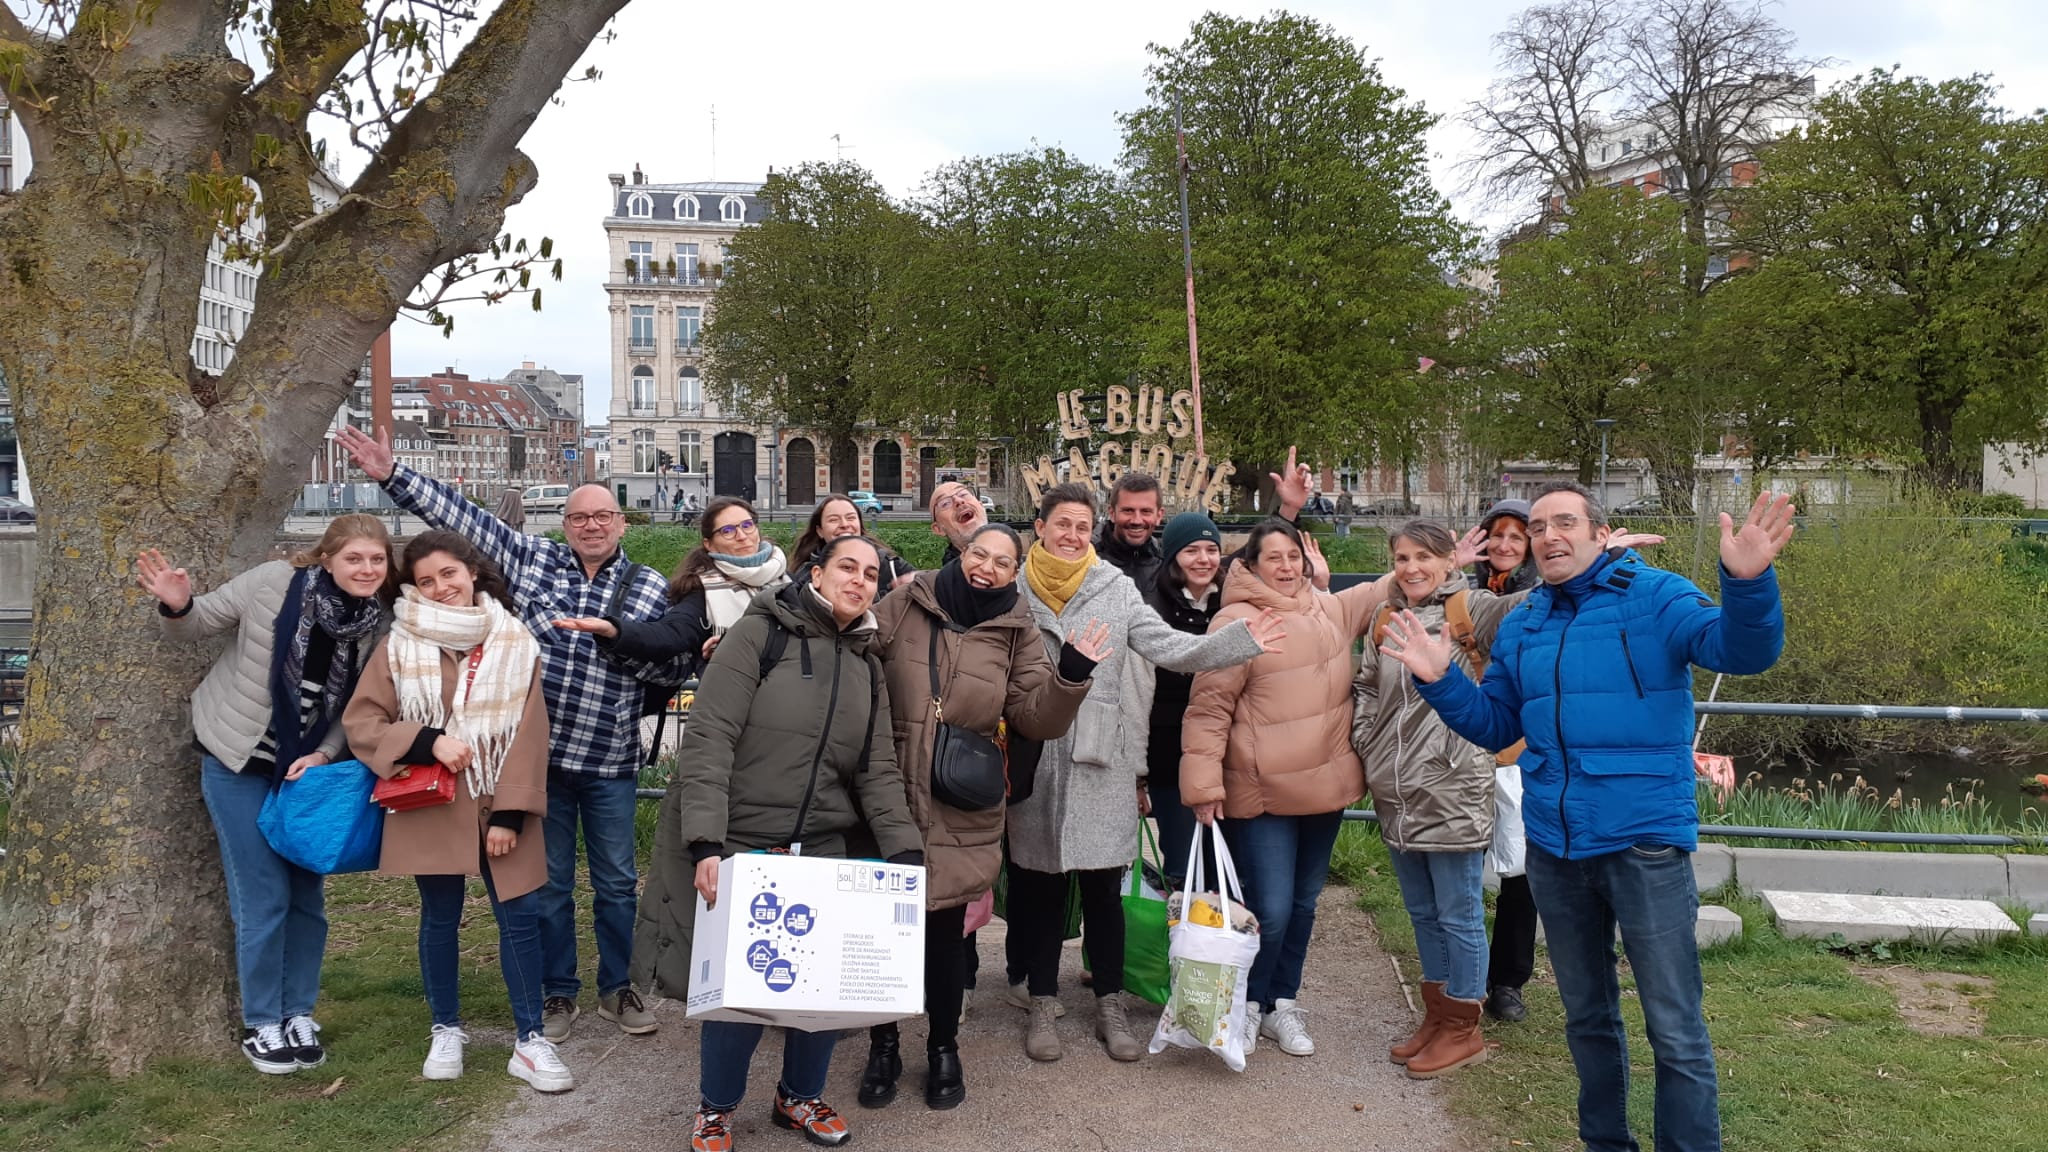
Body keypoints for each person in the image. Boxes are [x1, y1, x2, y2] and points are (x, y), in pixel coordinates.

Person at [1382, 484, 1793, 1152]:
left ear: (1601, 534)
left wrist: (1748, 582)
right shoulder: (1525, 621)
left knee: (1674, 1027)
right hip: (1555, 845)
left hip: (1644, 845)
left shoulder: (1657, 596)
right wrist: (1442, 680)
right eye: (1539, 526)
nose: (1548, 537)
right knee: (1588, 1020)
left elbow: (1743, 653)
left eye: (1564, 523)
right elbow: (1496, 726)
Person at [336, 425, 673, 1042]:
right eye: (579, 516)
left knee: (619, 882)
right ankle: (557, 992)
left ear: (621, 522)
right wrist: (391, 475)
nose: (592, 525)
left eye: (603, 515)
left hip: (609, 756)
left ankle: (617, 987)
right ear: (565, 524)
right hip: (539, 761)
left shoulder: (650, 585)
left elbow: (669, 662)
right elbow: (465, 523)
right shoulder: (535, 561)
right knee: (549, 885)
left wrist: (618, 641)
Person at [636, 535, 922, 1152]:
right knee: (741, 994)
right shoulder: (759, 635)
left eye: (871, 574)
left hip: (822, 845)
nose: (859, 581)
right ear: (815, 573)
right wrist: (707, 840)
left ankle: (798, 1097)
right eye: (847, 567)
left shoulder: (866, 663)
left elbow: (876, 767)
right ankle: (716, 1108)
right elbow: (710, 737)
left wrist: (905, 853)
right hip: (746, 839)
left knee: (823, 989)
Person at [1007, 482, 1284, 1063]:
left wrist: (1238, 642)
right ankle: (1041, 1000)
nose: (1072, 535)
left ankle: (1109, 1001)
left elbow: (1170, 647)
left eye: (1082, 526)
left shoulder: (1114, 588)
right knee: (1038, 890)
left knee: (1106, 889)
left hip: (1100, 755)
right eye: (1062, 524)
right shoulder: (1014, 592)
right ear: (1040, 526)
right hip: (1035, 754)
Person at [858, 523, 1104, 1111]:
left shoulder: (1017, 630)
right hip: (885, 787)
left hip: (958, 797)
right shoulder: (907, 598)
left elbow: (1035, 717)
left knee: (943, 936)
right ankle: (883, 1044)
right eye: (979, 554)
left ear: (1013, 572)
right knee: (880, 933)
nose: (986, 568)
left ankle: (944, 1047)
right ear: (962, 554)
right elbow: (856, 658)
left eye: (1001, 562)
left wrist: (1070, 675)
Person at [136, 516, 394, 1074]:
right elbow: (196, 624)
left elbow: (357, 709)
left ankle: (299, 1010)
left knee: (307, 898)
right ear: (326, 558)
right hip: (237, 759)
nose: (367, 570)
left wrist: (325, 755)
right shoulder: (273, 582)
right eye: (355, 559)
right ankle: (263, 1023)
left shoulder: (379, 625)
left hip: (304, 773)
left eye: (376, 560)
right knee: (264, 896)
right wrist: (178, 604)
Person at [341, 531, 570, 1093]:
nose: (440, 588)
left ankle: (529, 1039)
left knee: (519, 919)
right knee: (439, 917)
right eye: (425, 581)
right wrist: (427, 741)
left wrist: (511, 814)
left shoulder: (515, 640)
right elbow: (363, 723)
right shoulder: (398, 645)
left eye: (448, 574)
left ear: (471, 572)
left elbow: (530, 731)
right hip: (433, 803)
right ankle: (446, 1027)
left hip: (499, 800)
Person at [1179, 518, 1411, 1059]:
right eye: (1273, 559)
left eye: (1293, 557)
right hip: (1263, 794)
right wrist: (1202, 785)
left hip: (1325, 788)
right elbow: (1209, 709)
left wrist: (1452, 557)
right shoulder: (1235, 623)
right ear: (1251, 566)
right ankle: (1250, 1003)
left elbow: (1389, 584)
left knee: (1305, 904)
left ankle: (1283, 1001)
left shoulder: (1326, 607)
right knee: (1272, 908)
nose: (1286, 568)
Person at [1347, 520, 1534, 1077]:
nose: (1412, 568)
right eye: (1402, 558)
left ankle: (1462, 1026)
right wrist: (1367, 740)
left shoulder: (1473, 610)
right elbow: (1364, 687)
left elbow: (1534, 598)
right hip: (1395, 787)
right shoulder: (1385, 617)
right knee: (1422, 911)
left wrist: (1590, 556)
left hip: (1453, 785)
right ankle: (1437, 1014)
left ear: (1450, 560)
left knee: (1459, 913)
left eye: (1424, 557)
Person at [557, 498, 790, 684]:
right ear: (709, 543)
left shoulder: (788, 577)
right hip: (744, 708)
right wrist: (615, 630)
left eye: (747, 525)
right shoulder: (703, 592)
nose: (742, 536)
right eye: (728, 531)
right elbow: (668, 635)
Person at [1472, 498, 1540, 1025]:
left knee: (1521, 871)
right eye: (1497, 534)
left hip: (1519, 743)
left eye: (1517, 536)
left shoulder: (1544, 600)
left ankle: (1508, 979)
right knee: (1463, 863)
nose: (1504, 545)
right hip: (1465, 739)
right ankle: (1465, 976)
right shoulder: (1461, 597)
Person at [1136, 510, 1227, 888]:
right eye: (1192, 550)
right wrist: (1137, 776)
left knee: (1223, 862)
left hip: (1224, 754)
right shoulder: (1152, 606)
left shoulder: (1230, 603)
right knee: (1184, 862)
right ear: (1173, 556)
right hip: (1168, 753)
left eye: (1211, 549)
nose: (1203, 559)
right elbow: (1139, 693)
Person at [796, 494, 915, 588]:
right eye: (833, 520)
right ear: (820, 530)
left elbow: (927, 584)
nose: (844, 524)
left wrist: (917, 578)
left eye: (851, 518)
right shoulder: (804, 577)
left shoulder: (889, 565)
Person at [928, 480, 988, 565]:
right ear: (938, 529)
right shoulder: (950, 576)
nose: (958, 500)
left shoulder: (1012, 540)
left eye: (963, 494)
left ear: (981, 506)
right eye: (945, 503)